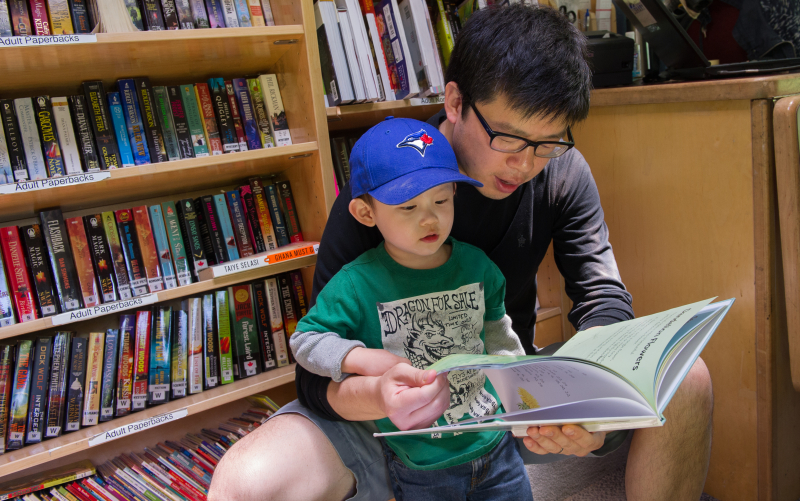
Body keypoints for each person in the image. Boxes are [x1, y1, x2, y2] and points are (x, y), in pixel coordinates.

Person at [209, 4, 714, 501]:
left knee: (688, 378)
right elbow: (315, 371)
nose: (525, 165)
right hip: (389, 415)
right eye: (509, 137)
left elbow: (602, 297)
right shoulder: (387, 186)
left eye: (548, 142)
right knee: (245, 482)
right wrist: (381, 396)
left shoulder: (563, 171)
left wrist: (589, 401)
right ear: (455, 101)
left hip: (505, 397)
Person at [289, 116, 533, 500]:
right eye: (407, 207)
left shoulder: (478, 266)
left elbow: (499, 337)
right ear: (366, 213)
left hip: (496, 446)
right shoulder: (354, 284)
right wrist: (359, 358)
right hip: (420, 461)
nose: (429, 218)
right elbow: (305, 341)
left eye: (441, 200)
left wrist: (525, 398)